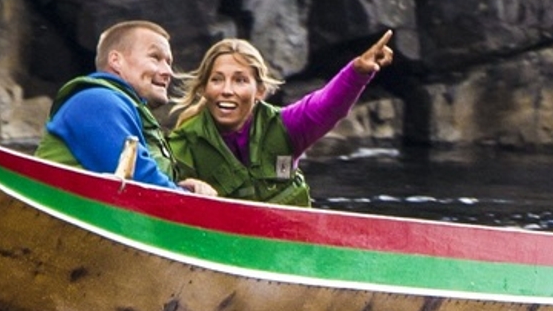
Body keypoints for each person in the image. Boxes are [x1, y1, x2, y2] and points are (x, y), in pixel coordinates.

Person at [158, 30, 397, 205]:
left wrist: (358, 71)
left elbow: (326, 105)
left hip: (292, 250)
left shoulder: (285, 126)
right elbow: (158, 189)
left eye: (240, 80)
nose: (227, 90)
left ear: (259, 92)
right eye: (217, 79)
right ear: (204, 89)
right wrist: (185, 187)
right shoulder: (185, 141)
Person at [39, 18, 177, 179]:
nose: (168, 72)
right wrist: (190, 200)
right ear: (116, 61)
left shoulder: (127, 108)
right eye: (155, 57)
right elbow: (142, 181)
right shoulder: (96, 103)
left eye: (169, 63)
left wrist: (182, 187)